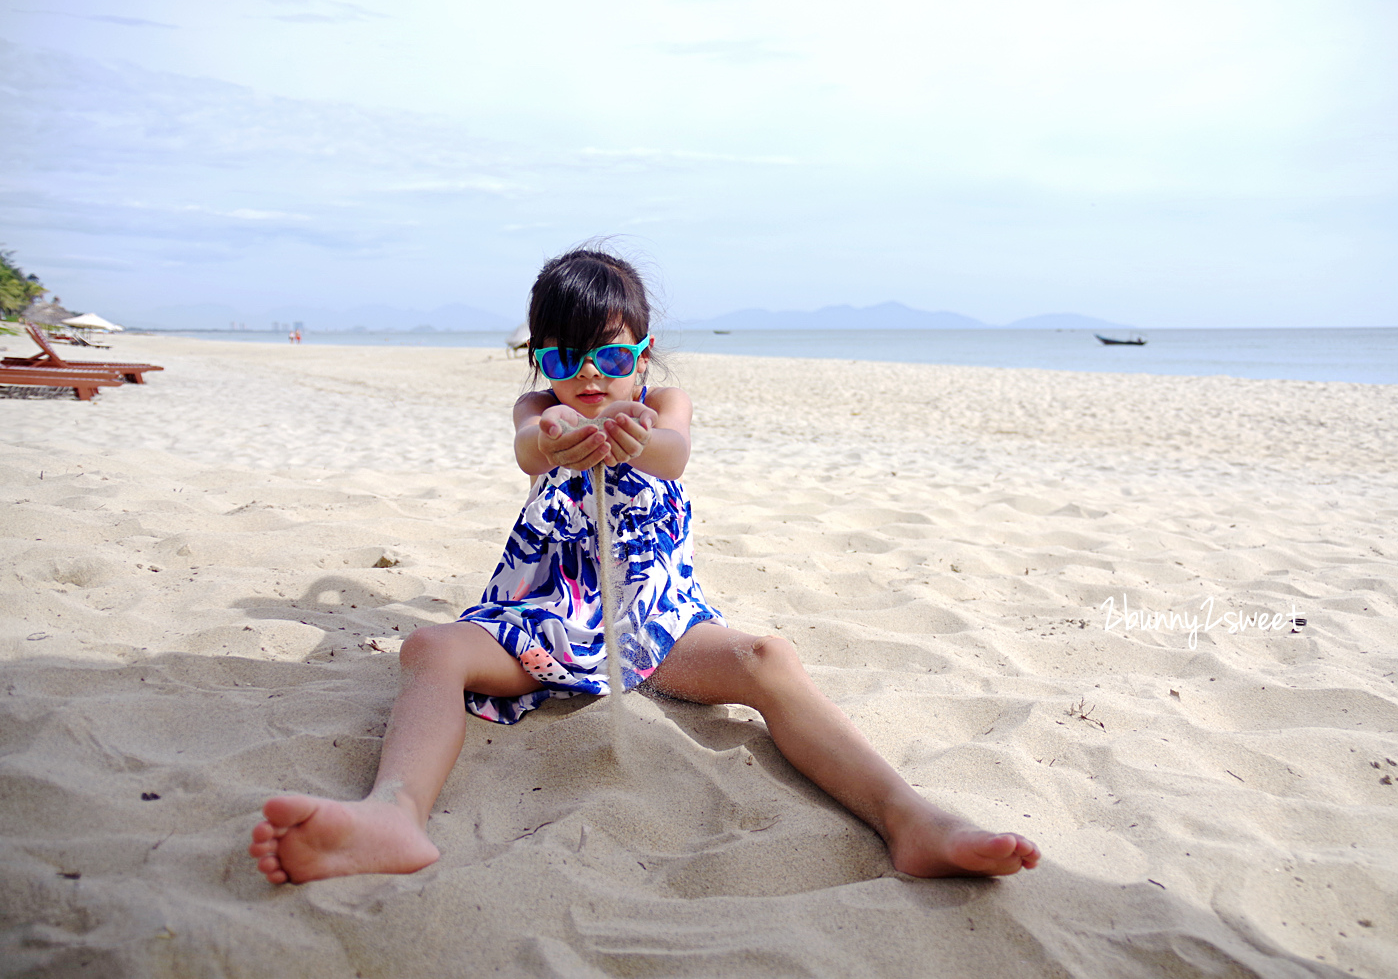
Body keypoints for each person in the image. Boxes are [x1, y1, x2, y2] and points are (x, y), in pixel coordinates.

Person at [248, 248, 1040, 883]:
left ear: (643, 353)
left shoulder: (664, 407)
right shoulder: (541, 410)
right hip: (544, 620)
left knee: (767, 657)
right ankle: (394, 813)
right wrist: (555, 433)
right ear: (539, 358)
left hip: (656, 624)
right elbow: (530, 444)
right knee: (431, 649)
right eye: (564, 355)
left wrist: (637, 438)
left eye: (610, 355)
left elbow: (675, 453)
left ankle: (910, 816)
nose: (588, 374)